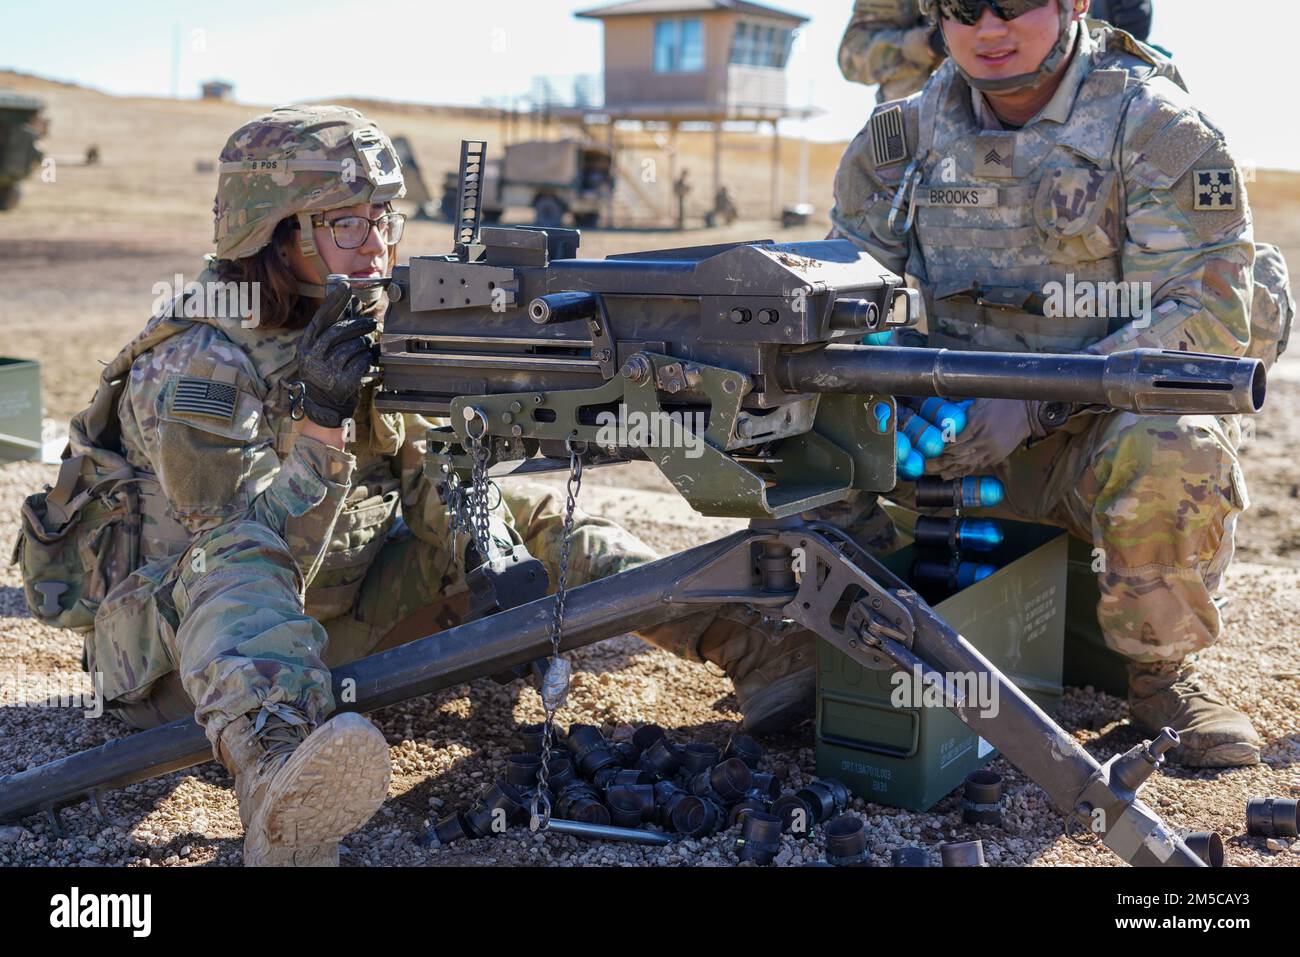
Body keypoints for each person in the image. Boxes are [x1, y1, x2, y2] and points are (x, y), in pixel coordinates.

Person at [29, 106, 816, 865]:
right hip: (188, 659)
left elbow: (420, 484)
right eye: (347, 223)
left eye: (384, 218)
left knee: (521, 512)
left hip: (331, 621)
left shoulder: (353, 316)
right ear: (272, 234)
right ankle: (276, 782)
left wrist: (483, 538)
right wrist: (323, 430)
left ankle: (754, 645)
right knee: (233, 558)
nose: (376, 245)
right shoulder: (197, 364)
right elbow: (246, 547)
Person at [828, 0, 1285, 767]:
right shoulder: (900, 137)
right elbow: (838, 295)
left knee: (1178, 442)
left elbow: (1207, 316)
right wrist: (901, 395)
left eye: (1015, 4)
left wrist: (1039, 401)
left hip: (1095, 441)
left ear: (1076, 2)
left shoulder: (1155, 128)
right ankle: (840, 639)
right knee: (786, 405)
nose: (989, 29)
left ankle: (1158, 678)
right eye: (962, 9)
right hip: (948, 440)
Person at [839, 0, 1153, 102]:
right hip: (932, 138)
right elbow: (853, 58)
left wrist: (1122, 34)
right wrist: (931, 43)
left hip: (1068, 120)